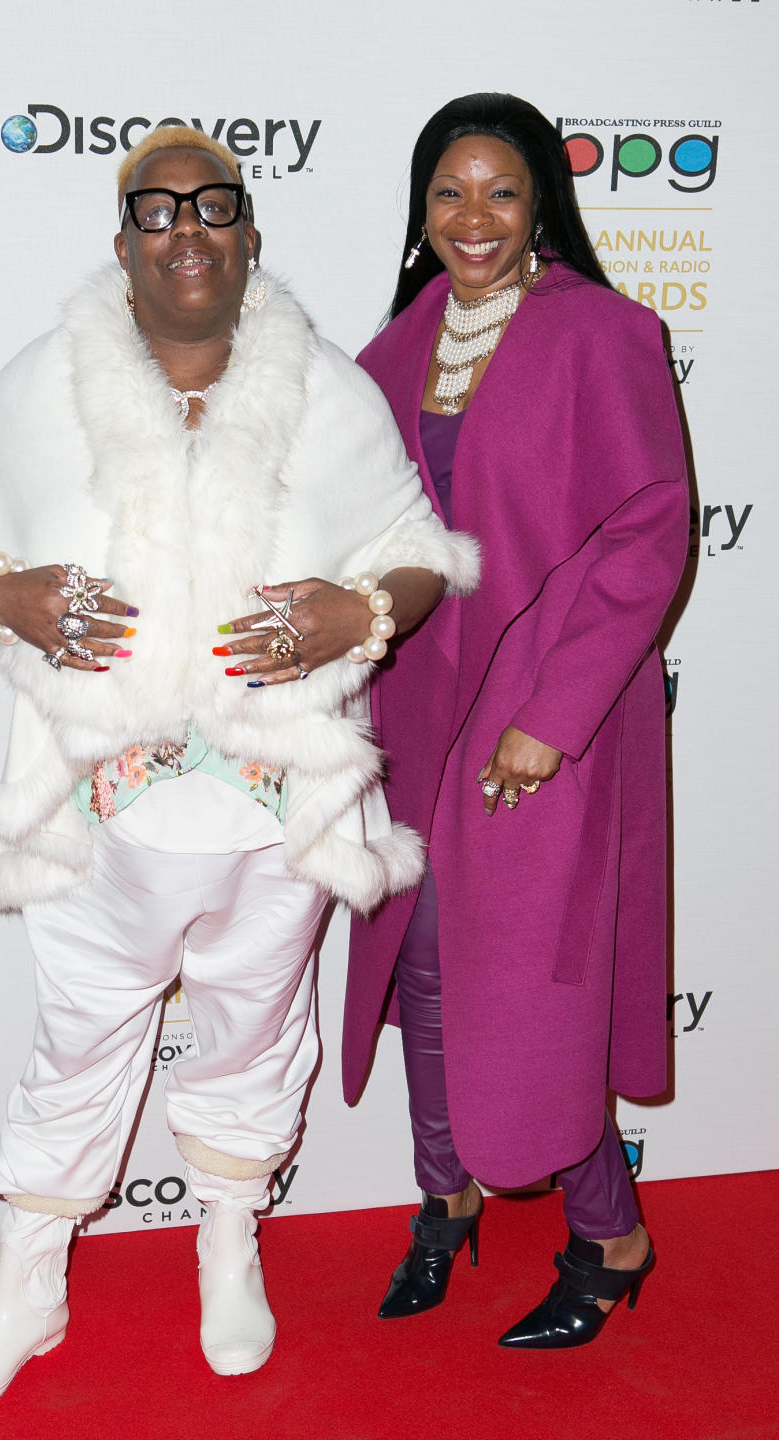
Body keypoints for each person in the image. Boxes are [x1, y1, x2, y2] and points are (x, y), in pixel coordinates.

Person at [0, 126, 479, 1412]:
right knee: (78, 1040)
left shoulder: (329, 389)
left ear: (250, 231)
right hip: (98, 804)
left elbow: (419, 545)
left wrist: (362, 614)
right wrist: (1, 590)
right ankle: (28, 1286)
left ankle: (229, 1244)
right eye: (156, 211)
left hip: (281, 803)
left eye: (214, 205)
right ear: (123, 244)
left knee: (257, 1027)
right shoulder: (39, 385)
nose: (188, 229)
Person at [342, 93, 689, 1349]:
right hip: (415, 711)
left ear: (542, 197)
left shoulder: (607, 334)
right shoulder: (386, 356)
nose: (472, 217)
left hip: (548, 712)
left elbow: (649, 531)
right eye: (448, 192)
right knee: (420, 967)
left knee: (526, 988)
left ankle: (610, 1230)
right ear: (421, 210)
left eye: (499, 190)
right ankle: (449, 1199)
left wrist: (556, 710)